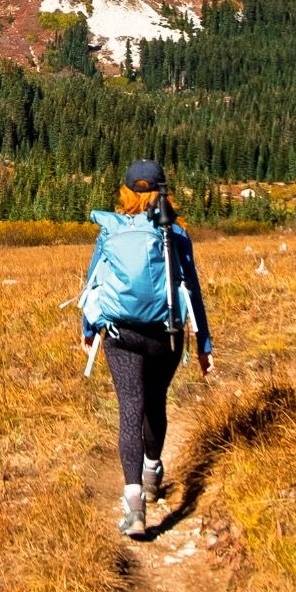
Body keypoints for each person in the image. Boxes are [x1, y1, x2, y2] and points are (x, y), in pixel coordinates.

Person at [81, 159, 213, 538]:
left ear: (125, 193)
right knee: (154, 403)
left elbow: (94, 281)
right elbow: (193, 289)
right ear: (162, 192)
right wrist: (203, 343)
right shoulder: (175, 233)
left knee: (129, 409)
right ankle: (153, 471)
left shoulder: (111, 231)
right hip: (165, 335)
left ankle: (134, 506)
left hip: (121, 333)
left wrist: (89, 328)